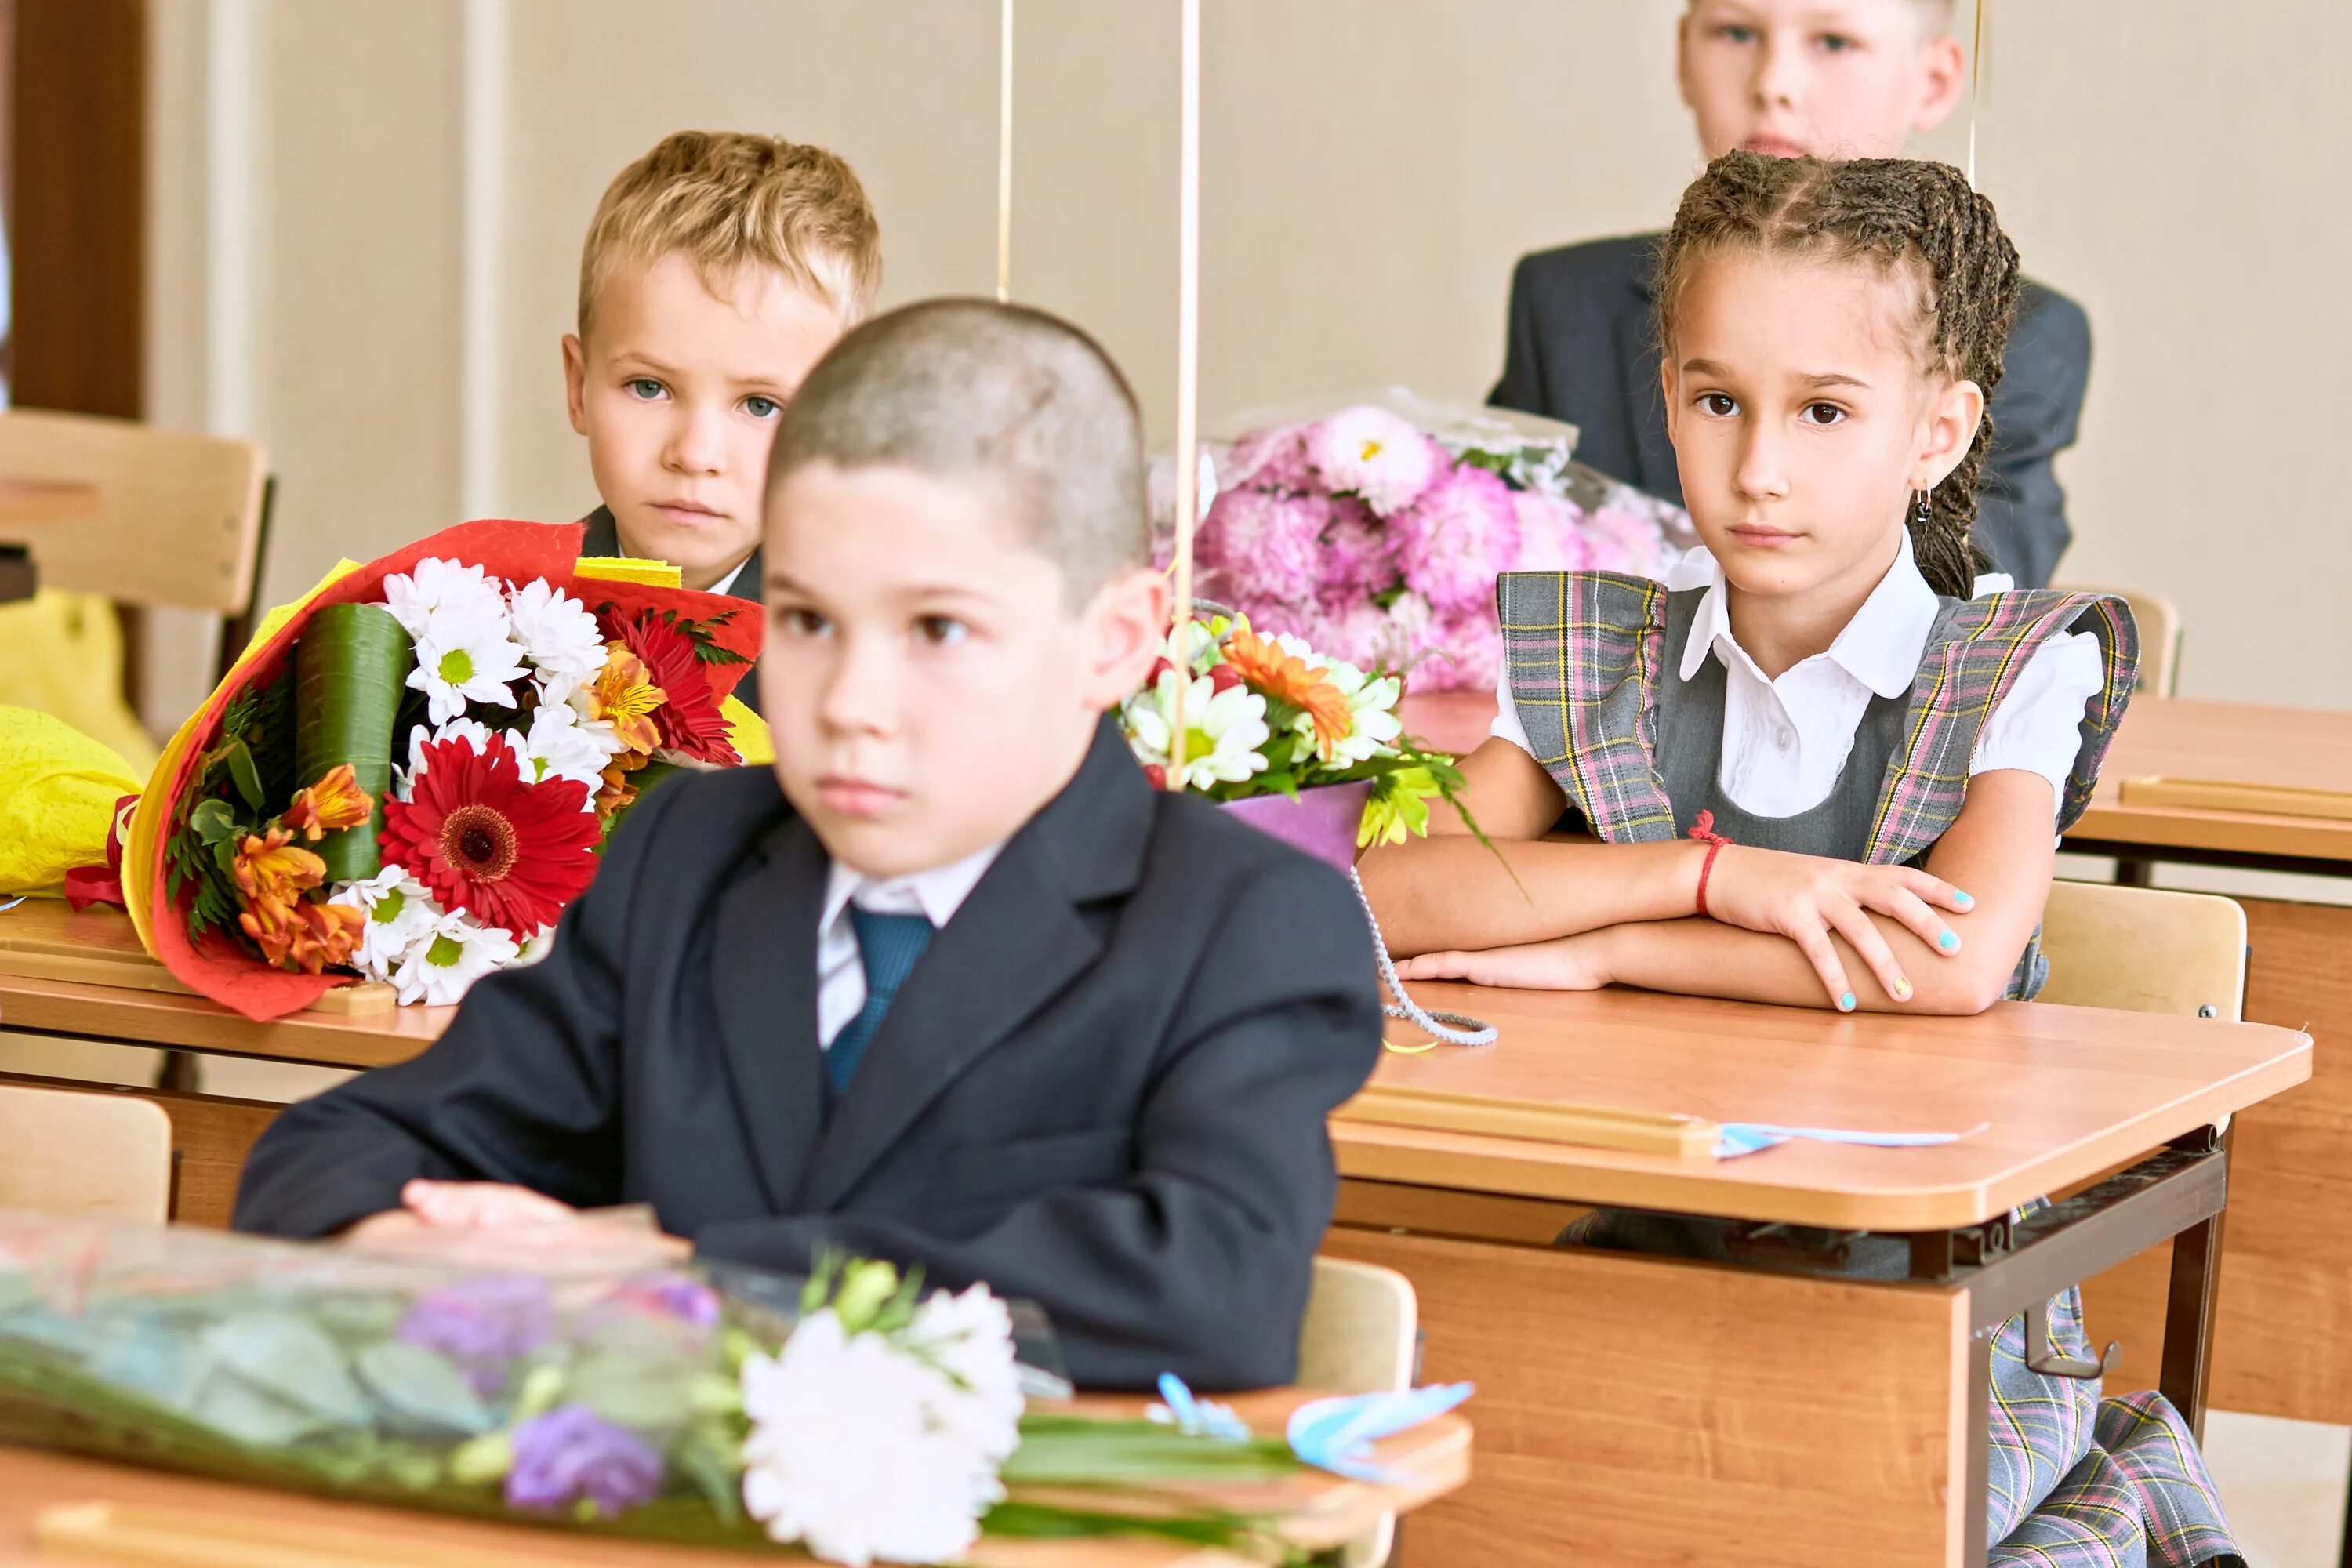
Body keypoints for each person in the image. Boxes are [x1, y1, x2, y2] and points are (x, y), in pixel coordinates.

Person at [233, 299, 1383, 1392]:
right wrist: (408, 1238)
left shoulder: (1244, 924)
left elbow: (1209, 1292)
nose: (850, 701)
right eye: (807, 620)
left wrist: (682, 1279)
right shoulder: (691, 853)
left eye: (937, 628)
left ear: (1116, 641)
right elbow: (345, 1146)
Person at [1370, 153, 2238, 1562]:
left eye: (1826, 412)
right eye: (1718, 402)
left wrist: (1605, 946)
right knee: (1508, 1475)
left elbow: (1950, 963)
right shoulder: (1602, 656)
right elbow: (1394, 893)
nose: (1758, 468)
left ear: (1939, 433)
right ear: (1668, 403)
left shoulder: (2014, 661)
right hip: (1643, 1241)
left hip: (1938, 1302)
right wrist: (1712, 879)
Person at [1490, 0, 2089, 587]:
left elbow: (1971, 589)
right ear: (1683, 55)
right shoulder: (1563, 304)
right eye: (1734, 31)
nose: (1774, 84)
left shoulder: (2018, 333)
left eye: (1833, 42)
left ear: (1932, 81)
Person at [564, 130, 884, 712]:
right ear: (578, 387)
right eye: (649, 387)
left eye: (760, 405)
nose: (695, 453)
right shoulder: (491, 624)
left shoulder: (871, 669)